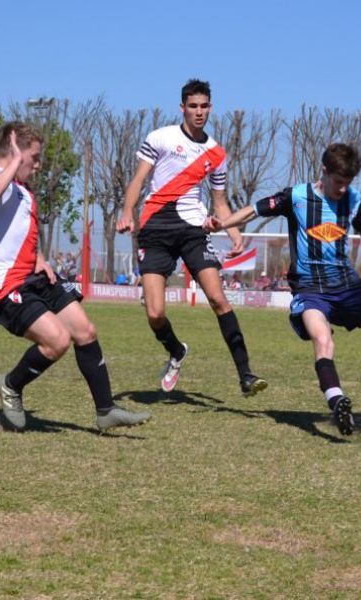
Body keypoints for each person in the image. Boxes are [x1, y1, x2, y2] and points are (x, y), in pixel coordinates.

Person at [205, 143, 361, 436]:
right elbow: (252, 211)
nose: (343, 189)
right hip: (309, 287)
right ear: (325, 171)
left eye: (348, 183)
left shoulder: (355, 199)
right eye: (338, 182)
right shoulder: (296, 197)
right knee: (323, 339)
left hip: (347, 285)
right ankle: (337, 400)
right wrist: (221, 224)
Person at [0, 122, 150, 432]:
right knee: (56, 341)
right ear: (14, 152)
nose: (38, 165)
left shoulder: (23, 193)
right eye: (34, 157)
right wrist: (14, 162)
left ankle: (105, 409)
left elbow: (14, 233)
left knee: (85, 330)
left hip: (33, 277)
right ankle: (11, 385)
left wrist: (40, 259)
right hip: (4, 286)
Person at [117, 79, 267, 397]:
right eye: (193, 106)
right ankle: (175, 351)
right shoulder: (161, 138)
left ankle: (246, 375)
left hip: (193, 231)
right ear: (182, 107)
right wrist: (127, 211)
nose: (199, 112)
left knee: (218, 298)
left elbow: (220, 202)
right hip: (156, 229)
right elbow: (139, 179)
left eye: (204, 106)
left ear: (211, 108)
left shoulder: (216, 153)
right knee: (155, 313)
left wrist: (233, 232)